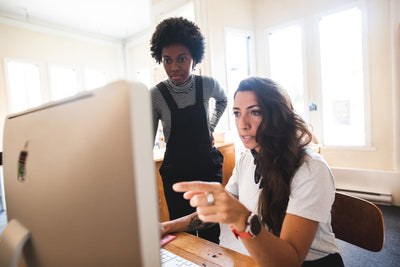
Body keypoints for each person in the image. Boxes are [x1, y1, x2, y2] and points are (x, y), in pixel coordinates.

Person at [161, 77, 344, 266]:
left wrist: (243, 219)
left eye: (255, 112)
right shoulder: (247, 159)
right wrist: (167, 226)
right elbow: (217, 208)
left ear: (278, 116)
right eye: (237, 113)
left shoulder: (311, 169)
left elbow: (290, 261)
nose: (243, 124)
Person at [150, 17, 227, 244]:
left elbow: (223, 101)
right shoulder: (155, 95)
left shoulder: (208, 85)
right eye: (167, 60)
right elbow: (147, 141)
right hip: (176, 174)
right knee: (180, 235)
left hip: (206, 169)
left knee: (210, 231)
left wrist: (209, 127)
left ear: (194, 57)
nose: (174, 67)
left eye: (182, 59)